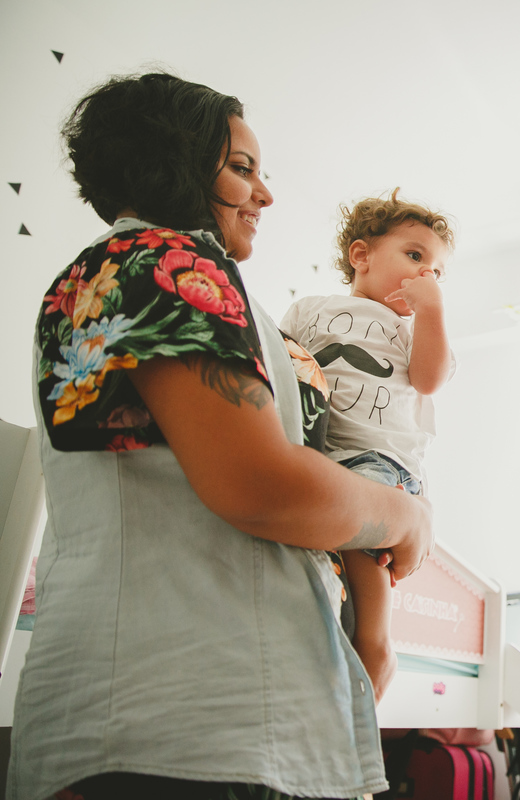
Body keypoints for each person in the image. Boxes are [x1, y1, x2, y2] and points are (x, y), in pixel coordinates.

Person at [8, 73, 433, 800]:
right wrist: (403, 514)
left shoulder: (124, 272)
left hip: (166, 723)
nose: (265, 195)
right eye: (242, 169)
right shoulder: (166, 264)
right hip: (183, 732)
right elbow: (259, 486)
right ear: (172, 161)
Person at [279, 190, 454, 703]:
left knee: (365, 531)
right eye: (415, 257)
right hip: (323, 451)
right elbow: (281, 363)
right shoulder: (311, 309)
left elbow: (428, 380)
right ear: (361, 256)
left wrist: (432, 314)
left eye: (438, 272)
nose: (427, 276)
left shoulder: (413, 330)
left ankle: (376, 642)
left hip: (384, 459)